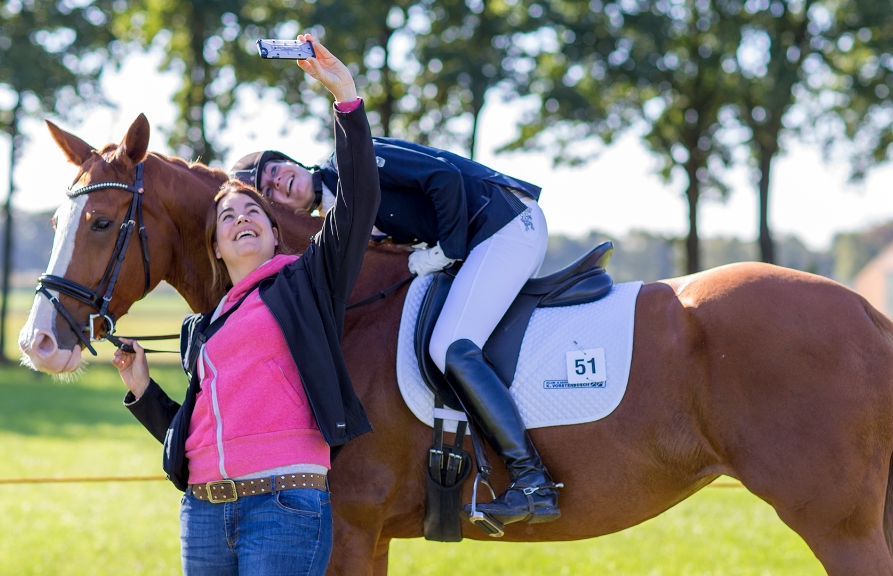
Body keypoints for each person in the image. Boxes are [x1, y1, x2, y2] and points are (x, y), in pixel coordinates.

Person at [112, 35, 379, 576]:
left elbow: (358, 205)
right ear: (215, 245)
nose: (241, 219)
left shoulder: (308, 284)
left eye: (253, 210)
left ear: (275, 232)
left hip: (285, 505)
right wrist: (141, 388)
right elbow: (189, 436)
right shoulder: (202, 328)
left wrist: (345, 99)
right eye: (228, 216)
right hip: (204, 510)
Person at [229, 116, 560, 527]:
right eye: (270, 189)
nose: (279, 182)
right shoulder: (340, 219)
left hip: (506, 221)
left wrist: (446, 250)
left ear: (289, 161)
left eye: (275, 170)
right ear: (278, 208)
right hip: (484, 237)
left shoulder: (349, 161)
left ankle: (533, 483)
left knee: (450, 346)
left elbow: (443, 176)